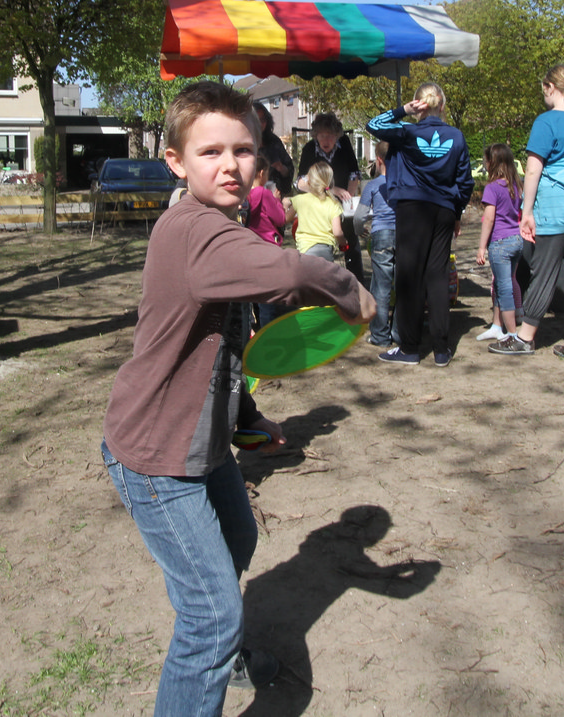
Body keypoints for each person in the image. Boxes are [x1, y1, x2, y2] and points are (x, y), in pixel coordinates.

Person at [100, 80, 373, 714]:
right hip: (156, 454)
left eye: (243, 150)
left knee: (238, 538)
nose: (230, 165)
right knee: (212, 616)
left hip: (201, 439)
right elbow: (291, 270)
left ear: (261, 156)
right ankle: (213, 643)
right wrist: (349, 288)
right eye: (210, 152)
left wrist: (246, 416)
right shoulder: (192, 230)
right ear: (176, 161)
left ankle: (216, 644)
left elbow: (223, 343)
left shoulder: (226, 225)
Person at [488, 65, 564, 364]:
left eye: (544, 90)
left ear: (551, 87)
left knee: (545, 269)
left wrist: (526, 211)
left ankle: (525, 338)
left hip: (556, 204)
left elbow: (533, 169)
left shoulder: (546, 121)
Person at [367, 82, 474, 367]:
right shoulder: (457, 136)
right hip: (444, 209)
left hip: (412, 209)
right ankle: (441, 349)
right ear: (443, 105)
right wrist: (457, 213)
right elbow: (465, 181)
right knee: (437, 276)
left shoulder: (406, 132)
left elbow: (373, 125)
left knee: (409, 277)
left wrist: (402, 110)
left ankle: (410, 348)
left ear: (418, 106)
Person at [296, 113, 363, 278]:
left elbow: (354, 174)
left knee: (351, 243)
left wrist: (348, 198)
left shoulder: (344, 144)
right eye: (322, 136)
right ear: (316, 135)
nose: (326, 140)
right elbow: (300, 183)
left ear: (337, 135)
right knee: (321, 247)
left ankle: (357, 282)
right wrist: (331, 190)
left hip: (342, 204)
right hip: (319, 205)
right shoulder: (309, 149)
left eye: (330, 136)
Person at [474, 143, 524, 344]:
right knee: (502, 283)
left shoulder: (492, 188)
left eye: (486, 161)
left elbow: (489, 219)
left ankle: (512, 335)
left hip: (500, 243)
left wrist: (481, 247)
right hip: (516, 240)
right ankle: (497, 326)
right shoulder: (516, 186)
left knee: (504, 288)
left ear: (492, 162)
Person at [355, 142, 397, 348]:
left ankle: (380, 335)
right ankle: (399, 332)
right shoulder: (405, 182)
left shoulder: (372, 185)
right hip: (405, 234)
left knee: (381, 285)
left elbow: (359, 216)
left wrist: (359, 231)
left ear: (379, 160)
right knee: (404, 284)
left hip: (382, 234)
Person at [244, 156, 287, 330]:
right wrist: (277, 200)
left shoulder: (245, 195)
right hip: (268, 248)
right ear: (261, 173)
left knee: (256, 296)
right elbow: (280, 218)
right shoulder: (263, 193)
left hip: (251, 248)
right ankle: (269, 332)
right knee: (268, 298)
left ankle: (259, 329)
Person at [287, 162, 344, 262]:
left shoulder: (299, 200)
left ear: (309, 181)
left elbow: (285, 219)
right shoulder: (334, 204)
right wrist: (343, 242)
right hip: (325, 252)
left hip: (304, 251)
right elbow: (337, 232)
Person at [254, 101, 294, 197]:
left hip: (274, 193)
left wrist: (282, 168)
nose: (260, 124)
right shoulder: (243, 141)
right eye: (256, 120)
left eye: (263, 120)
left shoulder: (273, 141)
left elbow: (289, 170)